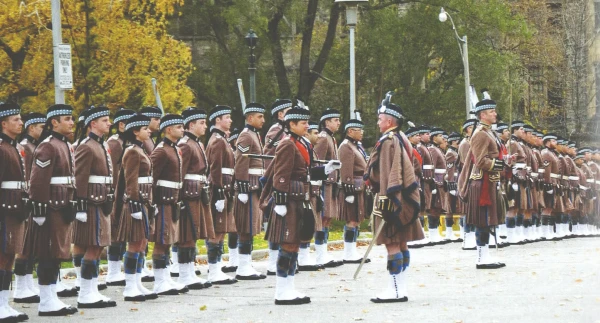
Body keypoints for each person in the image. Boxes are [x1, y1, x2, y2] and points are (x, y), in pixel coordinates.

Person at [261, 104, 341, 305]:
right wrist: (279, 201)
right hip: (288, 200)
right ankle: (281, 290)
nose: (307, 126)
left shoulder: (301, 142)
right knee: (288, 244)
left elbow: (304, 172)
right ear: (291, 124)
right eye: (303, 123)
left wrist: (325, 170)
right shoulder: (287, 143)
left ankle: (289, 286)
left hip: (300, 197)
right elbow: (280, 175)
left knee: (295, 243)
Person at [364, 101, 424, 303]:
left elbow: (391, 173)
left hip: (392, 199)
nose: (378, 123)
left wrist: (388, 199)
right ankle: (401, 287)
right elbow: (414, 165)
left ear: (389, 121)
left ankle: (395, 290)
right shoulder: (402, 138)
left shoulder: (389, 140)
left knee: (392, 243)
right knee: (402, 243)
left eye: (380, 119)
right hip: (403, 198)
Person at [29, 104, 79, 316]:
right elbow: (38, 181)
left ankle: (51, 297)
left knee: (58, 252)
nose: (71, 122)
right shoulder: (48, 146)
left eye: (72, 118)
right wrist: (39, 209)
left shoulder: (64, 144)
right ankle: (46, 300)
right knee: (48, 252)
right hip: (51, 206)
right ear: (54, 123)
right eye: (66, 118)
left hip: (63, 204)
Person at [72, 105, 117, 308]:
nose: (110, 123)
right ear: (93, 123)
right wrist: (80, 205)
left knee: (98, 246)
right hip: (91, 203)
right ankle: (86, 292)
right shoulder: (87, 145)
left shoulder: (101, 144)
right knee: (94, 244)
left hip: (101, 201)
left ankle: (91, 289)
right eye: (105, 120)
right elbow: (80, 177)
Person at [457, 98, 509, 270]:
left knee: (488, 220)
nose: (495, 113)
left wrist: (506, 160)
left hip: (490, 182)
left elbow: (493, 155)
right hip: (482, 184)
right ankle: (481, 258)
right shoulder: (480, 133)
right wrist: (500, 164)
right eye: (492, 111)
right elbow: (480, 161)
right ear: (483, 115)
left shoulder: (489, 132)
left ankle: (485, 256)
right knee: (483, 220)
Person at [113, 113, 159, 301]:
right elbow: (130, 180)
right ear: (135, 131)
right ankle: (130, 286)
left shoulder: (140, 149)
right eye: (144, 128)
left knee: (141, 243)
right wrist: (133, 204)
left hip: (144, 200)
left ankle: (137, 282)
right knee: (134, 243)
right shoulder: (132, 151)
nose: (149, 130)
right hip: (136, 202)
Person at [176, 108, 215, 288]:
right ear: (191, 125)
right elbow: (180, 174)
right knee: (187, 234)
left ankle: (190, 272)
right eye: (202, 123)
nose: (205, 126)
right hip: (188, 194)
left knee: (194, 234)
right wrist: (179, 198)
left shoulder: (196, 143)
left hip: (198, 193)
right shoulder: (185, 144)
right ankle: (184, 275)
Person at [149, 114, 188, 295]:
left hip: (172, 200)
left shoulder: (175, 149)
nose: (182, 129)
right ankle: (159, 281)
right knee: (161, 241)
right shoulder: (161, 150)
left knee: (168, 241)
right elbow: (152, 178)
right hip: (162, 200)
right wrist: (153, 203)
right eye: (179, 127)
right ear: (168, 130)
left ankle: (166, 278)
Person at [0, 103, 29, 321]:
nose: (21, 122)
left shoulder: (13, 146)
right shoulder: (2, 148)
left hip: (15, 208)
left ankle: (4, 303)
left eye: (20, 118)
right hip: (4, 209)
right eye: (16, 119)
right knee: (2, 255)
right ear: (3, 123)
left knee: (10, 254)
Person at [13, 112, 46, 304]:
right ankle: (20, 286)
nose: (43, 130)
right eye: (40, 127)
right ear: (31, 128)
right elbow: (27, 177)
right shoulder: (25, 146)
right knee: (24, 246)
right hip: (26, 199)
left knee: (30, 245)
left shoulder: (34, 146)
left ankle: (27, 283)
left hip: (32, 199)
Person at [233, 103, 268, 280]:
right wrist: (242, 187)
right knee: (246, 227)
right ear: (250, 118)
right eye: (260, 117)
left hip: (255, 185)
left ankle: (246, 263)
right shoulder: (246, 136)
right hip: (248, 186)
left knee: (251, 226)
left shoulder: (254, 135)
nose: (263, 120)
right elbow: (241, 162)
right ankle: (243, 266)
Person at [205, 106, 238, 284]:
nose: (230, 120)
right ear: (218, 120)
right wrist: (218, 192)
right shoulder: (217, 141)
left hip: (225, 187)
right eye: (227, 117)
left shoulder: (222, 139)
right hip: (220, 188)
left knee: (222, 229)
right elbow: (215, 167)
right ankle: (213, 270)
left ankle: (216, 268)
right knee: (216, 231)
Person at [105, 108, 136, 287]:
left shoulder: (128, 142)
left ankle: (119, 268)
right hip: (117, 190)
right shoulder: (115, 143)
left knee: (123, 231)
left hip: (125, 189)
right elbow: (114, 170)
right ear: (122, 125)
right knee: (115, 231)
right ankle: (113, 270)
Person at [263, 99, 292, 271]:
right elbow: (270, 154)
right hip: (275, 178)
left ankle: (279, 258)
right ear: (280, 114)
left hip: (282, 178)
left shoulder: (285, 131)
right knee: (275, 222)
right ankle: (272, 260)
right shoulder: (277, 130)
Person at [313, 108, 344, 268]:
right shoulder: (323, 138)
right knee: (322, 218)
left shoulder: (331, 138)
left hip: (331, 183)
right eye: (335, 120)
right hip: (324, 183)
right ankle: (320, 253)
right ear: (327, 122)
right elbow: (317, 161)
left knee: (328, 219)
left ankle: (323, 251)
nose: (338, 123)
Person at [338, 115, 370, 263]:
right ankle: (348, 252)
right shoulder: (346, 146)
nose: (362, 132)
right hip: (352, 188)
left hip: (359, 187)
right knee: (351, 220)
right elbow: (346, 170)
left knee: (357, 219)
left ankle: (352, 250)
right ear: (350, 131)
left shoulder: (356, 145)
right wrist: (348, 190)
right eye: (359, 130)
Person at [298, 120, 323, 271]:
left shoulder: (308, 146)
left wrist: (325, 169)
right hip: (302, 189)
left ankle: (304, 257)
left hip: (311, 188)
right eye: (315, 132)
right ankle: (302, 258)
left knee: (308, 223)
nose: (318, 135)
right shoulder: (299, 144)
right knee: (303, 223)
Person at [427, 127, 450, 244]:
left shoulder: (438, 149)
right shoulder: (432, 150)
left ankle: (435, 233)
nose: (443, 138)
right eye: (440, 136)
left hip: (441, 182)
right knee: (433, 208)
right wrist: (434, 183)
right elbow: (432, 167)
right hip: (436, 182)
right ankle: (432, 234)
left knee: (438, 208)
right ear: (434, 137)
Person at [458, 118, 478, 250]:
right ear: (466, 130)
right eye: (471, 127)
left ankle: (471, 237)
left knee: (472, 209)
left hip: (472, 177)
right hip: (468, 178)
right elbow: (468, 164)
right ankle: (468, 238)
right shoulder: (465, 144)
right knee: (468, 210)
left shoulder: (471, 142)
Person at [445, 132, 462, 241]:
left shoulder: (455, 152)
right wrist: (451, 184)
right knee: (450, 209)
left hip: (457, 181)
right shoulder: (451, 153)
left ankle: (455, 232)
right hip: (453, 183)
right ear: (454, 141)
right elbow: (450, 169)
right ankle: (449, 233)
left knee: (457, 208)